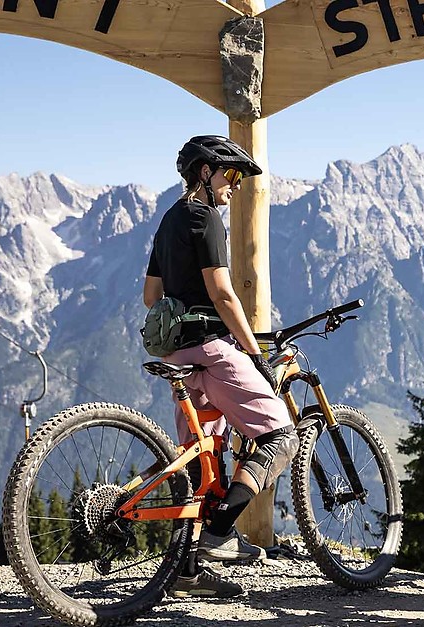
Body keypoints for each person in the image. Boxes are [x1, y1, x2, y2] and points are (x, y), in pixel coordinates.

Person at [142, 135, 298, 598]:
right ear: (205, 173)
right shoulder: (204, 217)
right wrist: (253, 353)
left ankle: (187, 570)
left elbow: (152, 297)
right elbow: (224, 294)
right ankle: (220, 532)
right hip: (211, 350)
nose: (233, 187)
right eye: (229, 175)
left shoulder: (169, 220)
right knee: (279, 436)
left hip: (176, 355)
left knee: (201, 457)